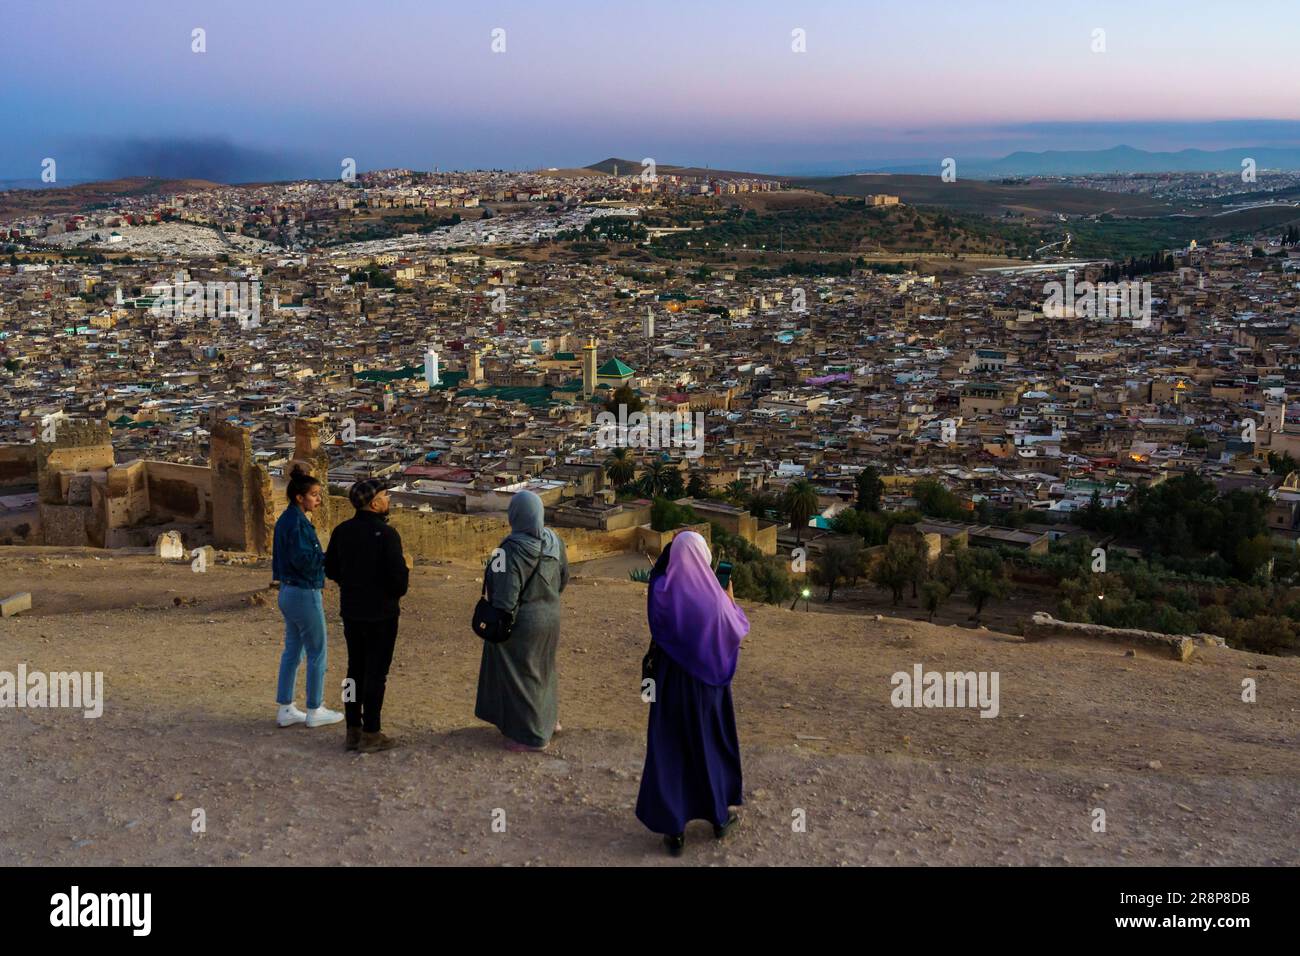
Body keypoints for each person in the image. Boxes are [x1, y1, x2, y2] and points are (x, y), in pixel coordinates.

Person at [635, 531, 749, 857]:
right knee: (709, 745)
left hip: (671, 683)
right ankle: (718, 817)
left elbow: (658, 574)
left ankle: (674, 830)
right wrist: (729, 600)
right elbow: (736, 631)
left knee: (670, 749)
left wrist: (669, 554)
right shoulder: (715, 600)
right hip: (707, 687)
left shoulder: (661, 592)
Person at [474, 490, 568, 752]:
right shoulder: (554, 540)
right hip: (550, 617)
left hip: (522, 623)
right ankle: (549, 720)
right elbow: (564, 577)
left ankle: (531, 736)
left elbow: (505, 600)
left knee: (518, 674)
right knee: (543, 669)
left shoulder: (510, 550)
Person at [324, 478, 409, 754]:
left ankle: (353, 729)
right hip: (381, 615)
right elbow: (399, 583)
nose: (389, 500)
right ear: (374, 503)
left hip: (352, 612)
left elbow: (331, 568)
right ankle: (372, 732)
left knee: (354, 671)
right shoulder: (387, 535)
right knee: (376, 674)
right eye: (385, 496)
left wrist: (352, 583)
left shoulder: (342, 531)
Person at [271, 465, 344, 730]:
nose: (318, 499)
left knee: (293, 651)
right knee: (317, 652)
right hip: (304, 592)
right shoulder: (298, 524)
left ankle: (286, 708)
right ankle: (315, 709)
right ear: (299, 497)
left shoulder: (287, 520)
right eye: (314, 495)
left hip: (287, 592)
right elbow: (305, 560)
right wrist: (330, 560)